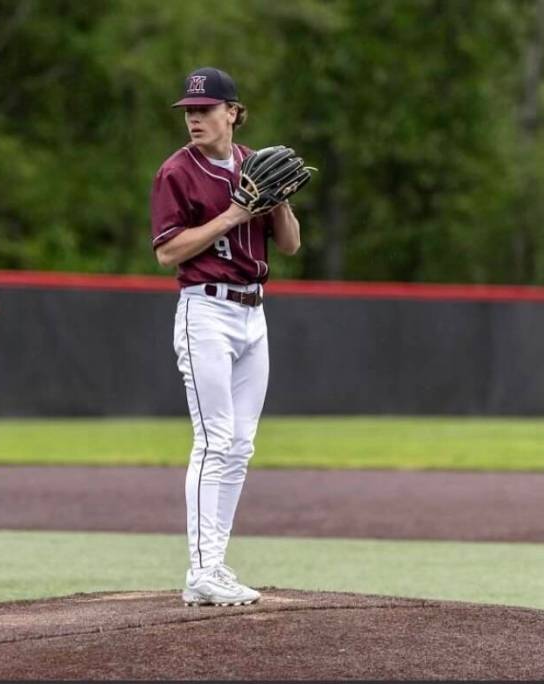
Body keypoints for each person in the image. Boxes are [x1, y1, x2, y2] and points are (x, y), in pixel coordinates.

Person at [149, 67, 302, 606]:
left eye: (206, 109)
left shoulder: (253, 164)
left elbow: (288, 246)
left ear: (233, 113)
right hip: (205, 312)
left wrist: (277, 201)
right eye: (190, 110)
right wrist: (235, 214)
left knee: (240, 445)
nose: (195, 118)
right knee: (214, 439)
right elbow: (168, 252)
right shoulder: (176, 173)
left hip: (253, 315)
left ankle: (214, 563)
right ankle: (200, 569)